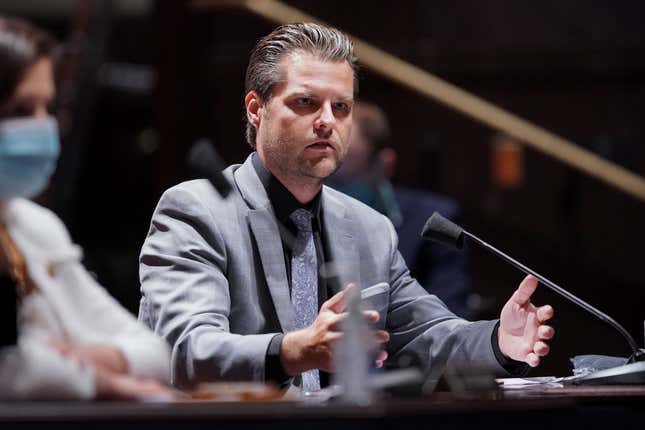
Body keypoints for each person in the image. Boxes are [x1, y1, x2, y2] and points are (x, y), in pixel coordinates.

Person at [139, 22, 554, 392]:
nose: (327, 121)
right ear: (255, 108)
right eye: (306, 103)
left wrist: (500, 339)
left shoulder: (369, 229)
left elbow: (431, 335)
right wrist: (293, 351)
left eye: (341, 107)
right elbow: (187, 351)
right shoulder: (196, 210)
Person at [0, 16, 172, 400]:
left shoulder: (34, 226)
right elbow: (16, 369)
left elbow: (155, 352)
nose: (43, 127)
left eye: (48, 107)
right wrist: (100, 379)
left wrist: (83, 358)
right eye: (22, 110)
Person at [327, 101, 474, 318]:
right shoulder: (305, 216)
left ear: (385, 166)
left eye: (348, 178)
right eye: (328, 176)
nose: (333, 190)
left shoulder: (436, 221)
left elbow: (449, 316)